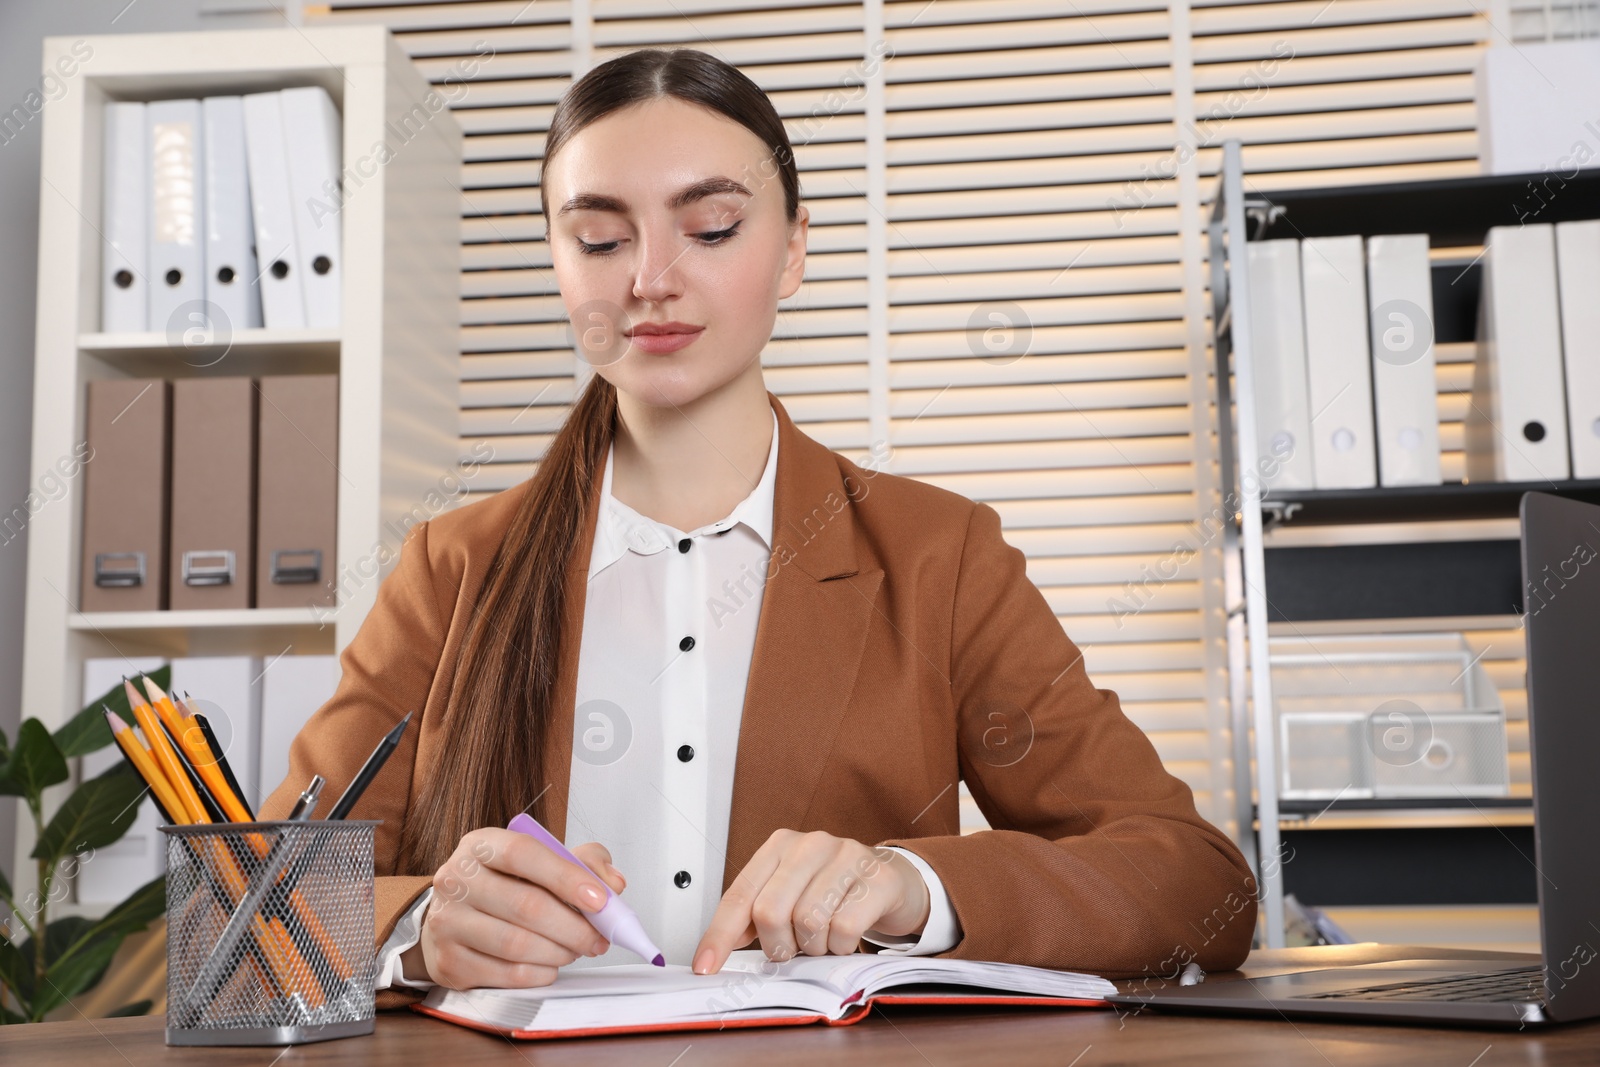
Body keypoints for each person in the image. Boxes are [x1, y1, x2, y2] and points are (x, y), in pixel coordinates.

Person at [261, 47, 1256, 1006]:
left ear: (793, 251)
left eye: (712, 227)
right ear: (561, 266)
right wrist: (417, 926)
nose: (650, 277)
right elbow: (243, 908)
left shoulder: (937, 556)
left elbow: (1197, 883)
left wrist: (917, 887)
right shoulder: (453, 568)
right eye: (600, 238)